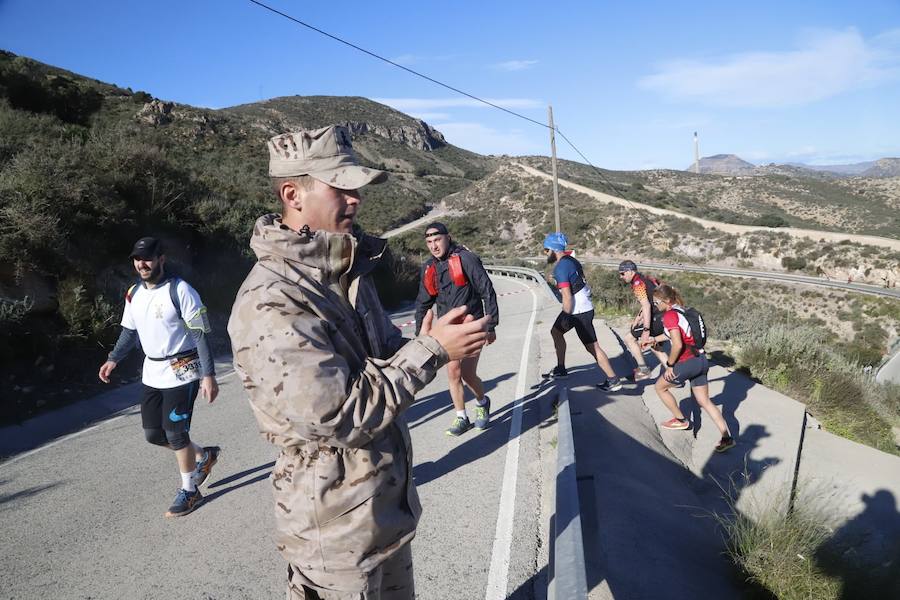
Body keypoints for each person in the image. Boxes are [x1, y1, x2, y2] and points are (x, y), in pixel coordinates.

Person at [227, 125, 489, 600]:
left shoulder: (348, 272)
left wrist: (439, 336)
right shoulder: (272, 298)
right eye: (340, 188)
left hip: (385, 515)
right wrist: (432, 351)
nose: (355, 200)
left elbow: (385, 352)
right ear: (293, 194)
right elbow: (336, 415)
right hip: (334, 540)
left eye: (357, 189)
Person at [98, 236, 221, 518]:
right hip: (152, 371)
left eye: (149, 258)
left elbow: (199, 334)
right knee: (154, 435)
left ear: (161, 259)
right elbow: (129, 332)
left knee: (176, 434)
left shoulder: (181, 291)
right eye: (138, 259)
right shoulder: (133, 293)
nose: (143, 264)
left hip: (182, 369)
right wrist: (113, 359)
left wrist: (208, 375)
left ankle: (190, 491)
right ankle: (205, 455)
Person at [414, 222, 499, 436]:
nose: (433, 246)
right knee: (452, 372)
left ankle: (482, 402)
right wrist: (419, 335)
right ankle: (461, 417)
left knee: (468, 374)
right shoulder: (429, 268)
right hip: (448, 329)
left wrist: (491, 325)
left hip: (472, 323)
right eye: (429, 242)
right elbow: (423, 303)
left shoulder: (465, 259)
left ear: (447, 237)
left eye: (437, 240)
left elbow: (487, 290)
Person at [643, 283, 735, 453]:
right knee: (705, 401)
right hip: (701, 360)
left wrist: (670, 365)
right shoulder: (682, 310)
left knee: (660, 387)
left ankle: (680, 419)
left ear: (667, 301)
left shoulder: (669, 315)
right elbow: (675, 334)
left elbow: (677, 344)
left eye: (657, 303)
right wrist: (655, 339)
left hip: (687, 363)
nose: (656, 306)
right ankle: (726, 437)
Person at [541, 232, 622, 391]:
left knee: (593, 347)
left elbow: (567, 297)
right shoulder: (571, 260)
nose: (545, 253)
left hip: (578, 311)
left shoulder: (561, 268)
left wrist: (565, 314)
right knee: (556, 332)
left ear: (553, 249)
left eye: (545, 250)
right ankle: (561, 368)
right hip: (581, 308)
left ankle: (613, 380)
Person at [617, 260, 668, 380]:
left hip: (657, 316)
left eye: (622, 273)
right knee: (655, 346)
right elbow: (648, 301)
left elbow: (646, 306)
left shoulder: (637, 284)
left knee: (629, 338)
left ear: (630, 271)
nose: (621, 277)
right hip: (664, 315)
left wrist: (646, 329)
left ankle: (643, 370)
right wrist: (638, 318)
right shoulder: (644, 279)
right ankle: (675, 376)